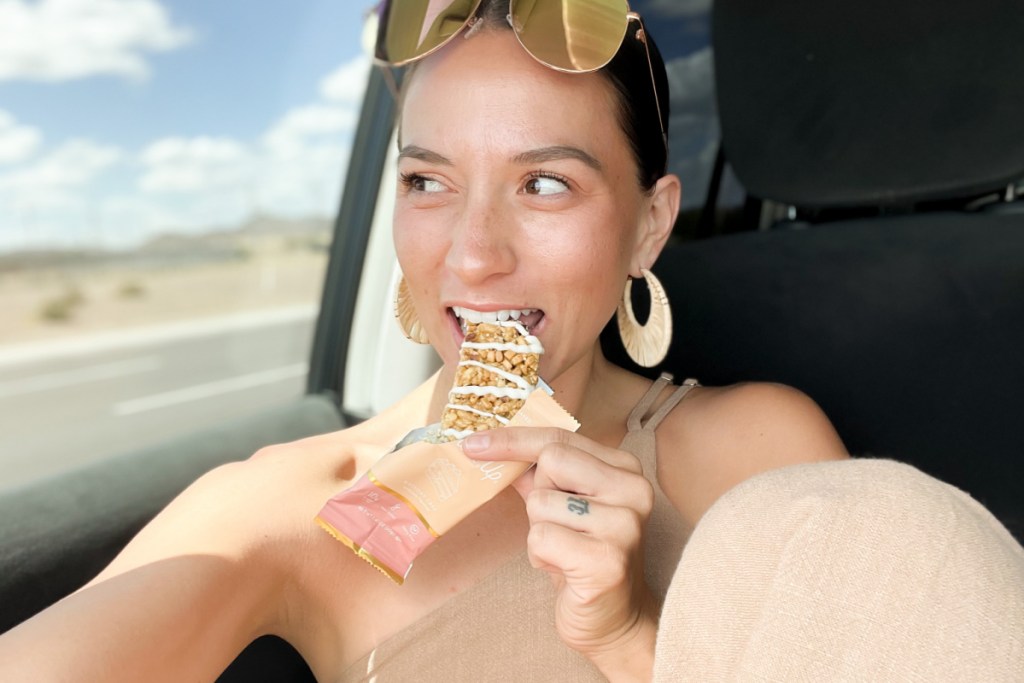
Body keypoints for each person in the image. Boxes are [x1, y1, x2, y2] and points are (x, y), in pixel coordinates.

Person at [3, 1, 1020, 681]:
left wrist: (626, 632)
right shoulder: (291, 507)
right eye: (427, 181)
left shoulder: (751, 445)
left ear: (649, 225)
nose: (473, 257)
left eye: (544, 183)